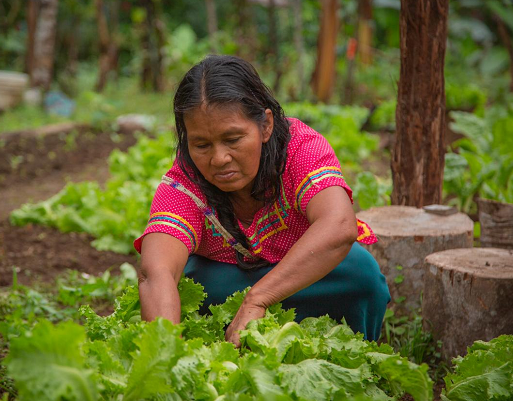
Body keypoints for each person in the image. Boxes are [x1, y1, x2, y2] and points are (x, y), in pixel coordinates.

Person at [134, 55, 390, 346]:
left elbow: (340, 225)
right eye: (202, 145)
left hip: (304, 274)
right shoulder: (183, 183)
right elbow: (156, 272)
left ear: (266, 125)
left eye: (233, 139)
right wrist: (164, 353)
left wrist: (257, 300)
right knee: (188, 286)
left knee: (362, 275)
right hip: (228, 285)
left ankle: (358, 354)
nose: (219, 159)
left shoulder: (299, 148)